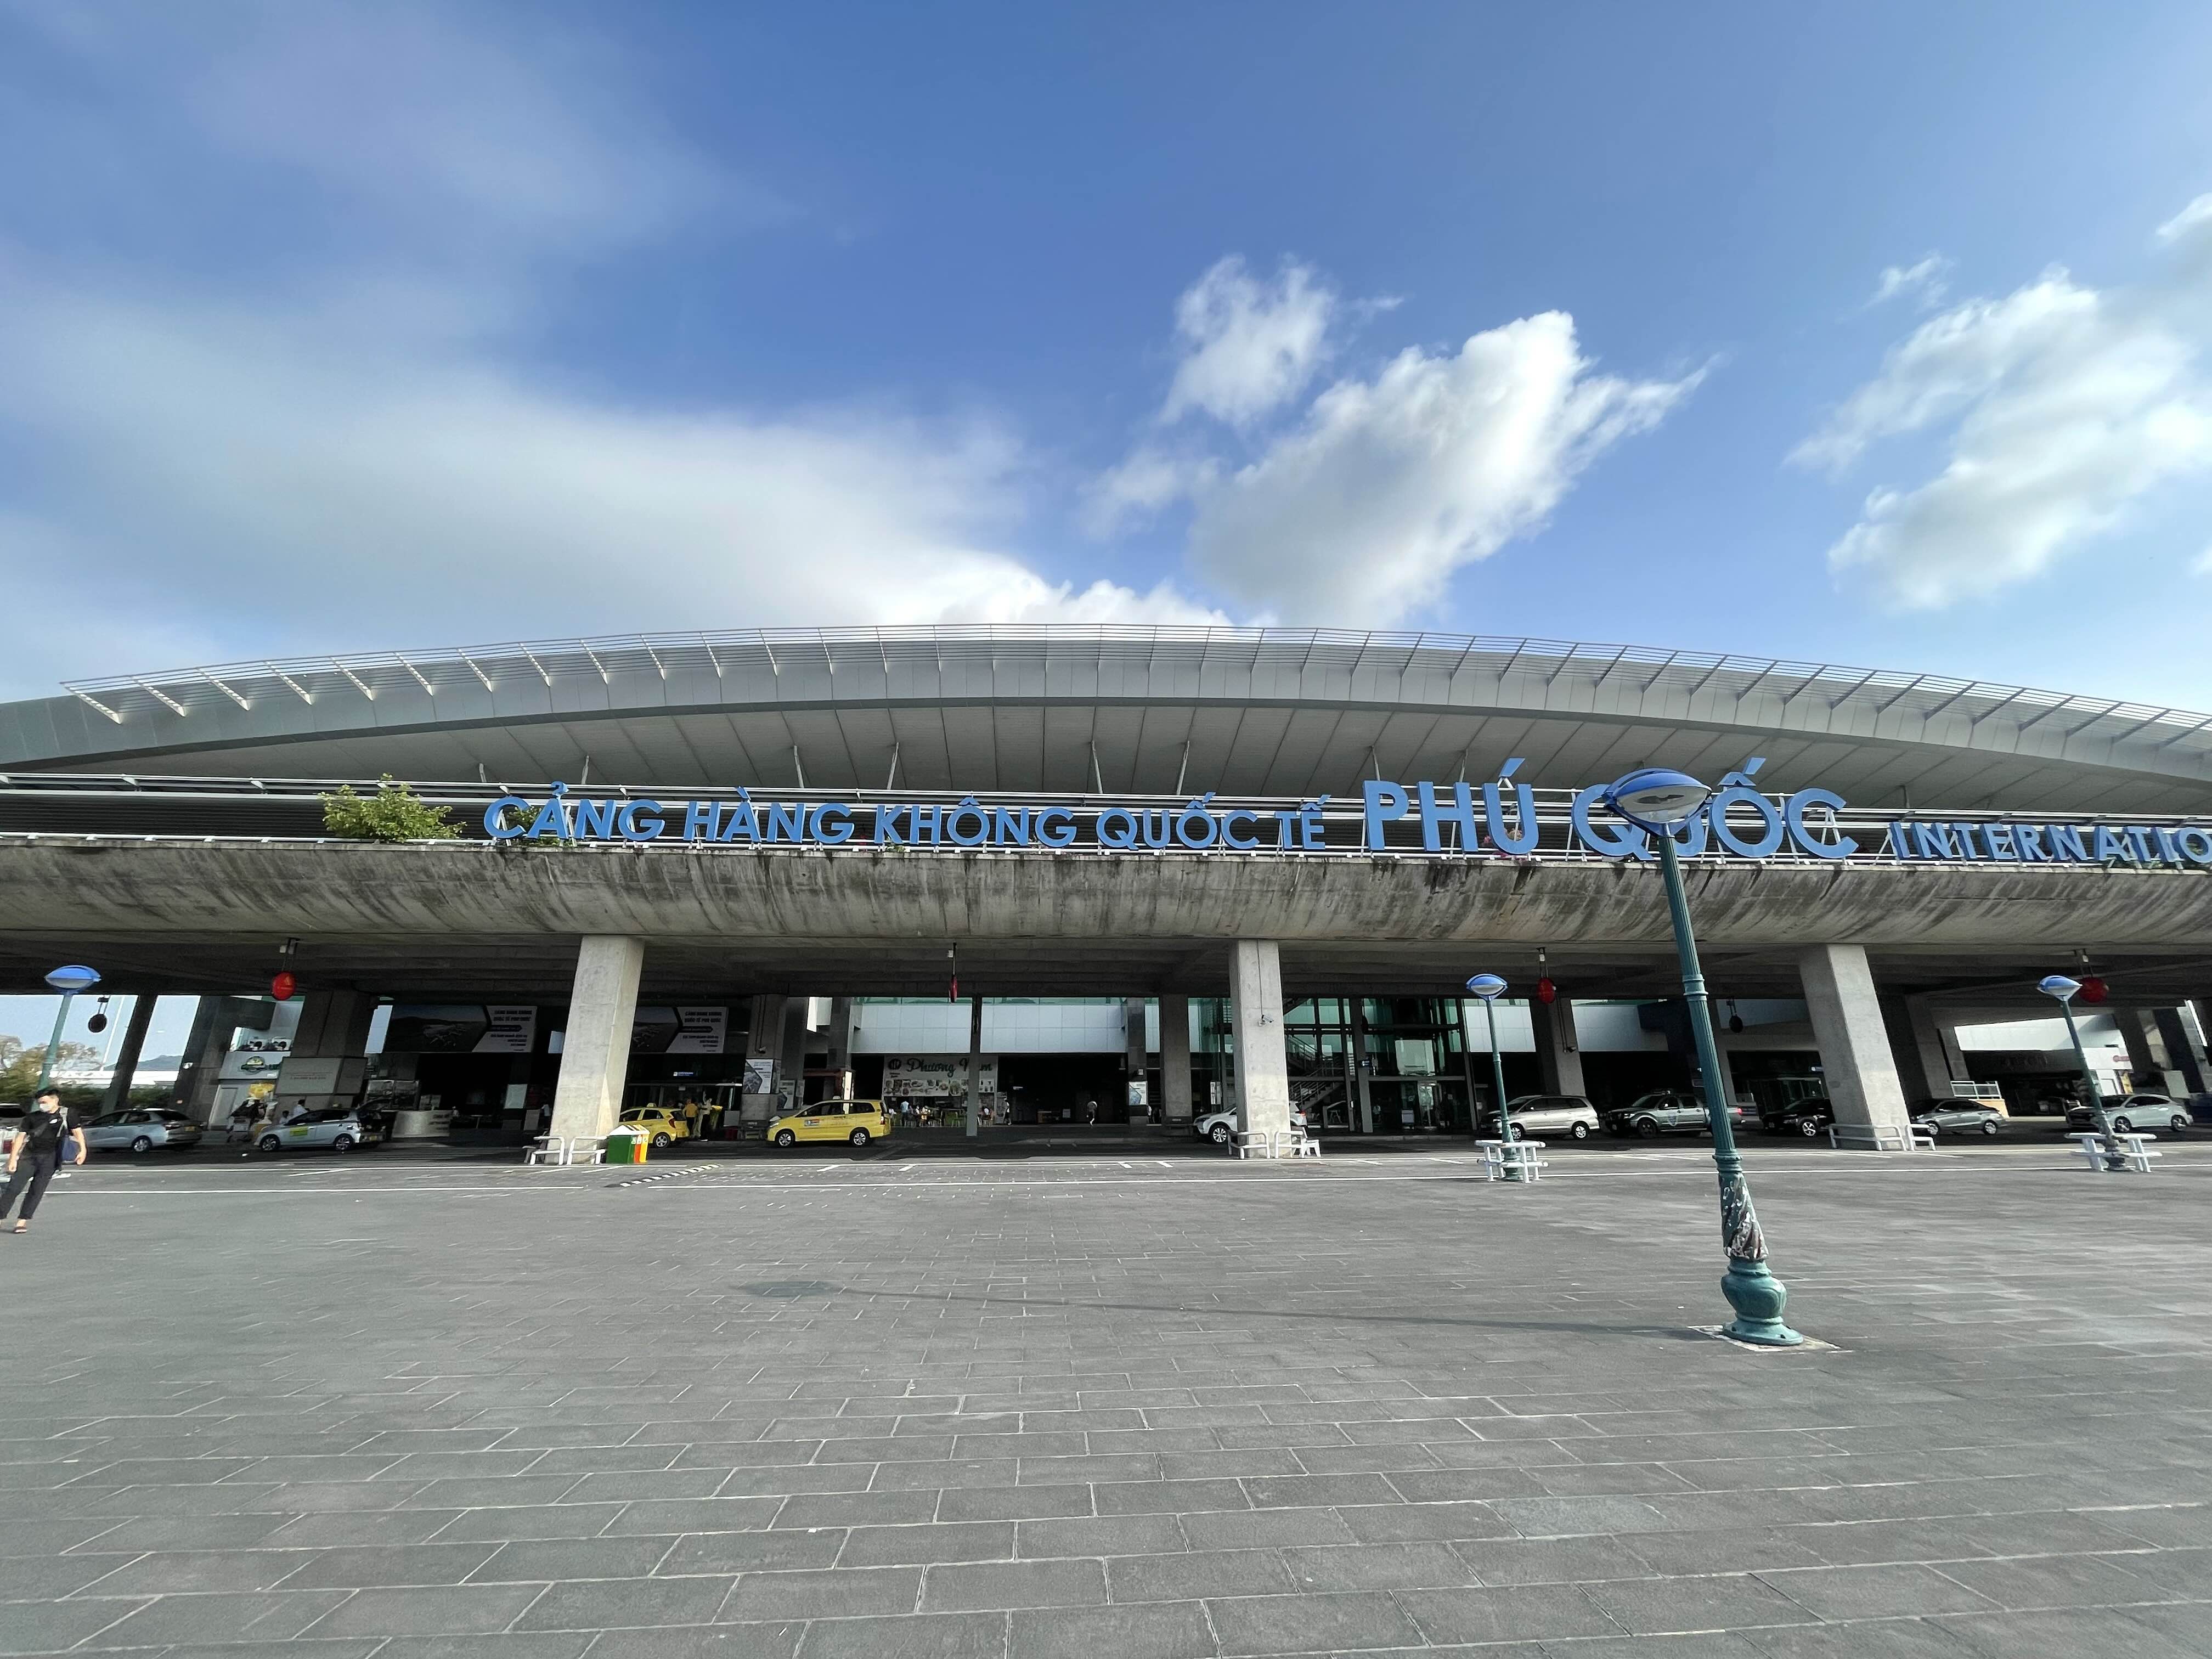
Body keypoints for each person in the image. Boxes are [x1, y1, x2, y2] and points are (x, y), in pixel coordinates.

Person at [1, 1088, 88, 1234]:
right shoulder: (32, 1118)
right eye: (40, 1103)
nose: (42, 1105)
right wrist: (13, 1159)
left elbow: (77, 1132)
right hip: (29, 1156)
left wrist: (83, 1150)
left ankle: (22, 1221)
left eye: (44, 1102)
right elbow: (20, 1138)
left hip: (51, 1157)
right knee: (13, 1188)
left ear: (55, 1100)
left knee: (37, 1190)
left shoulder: (67, 1114)